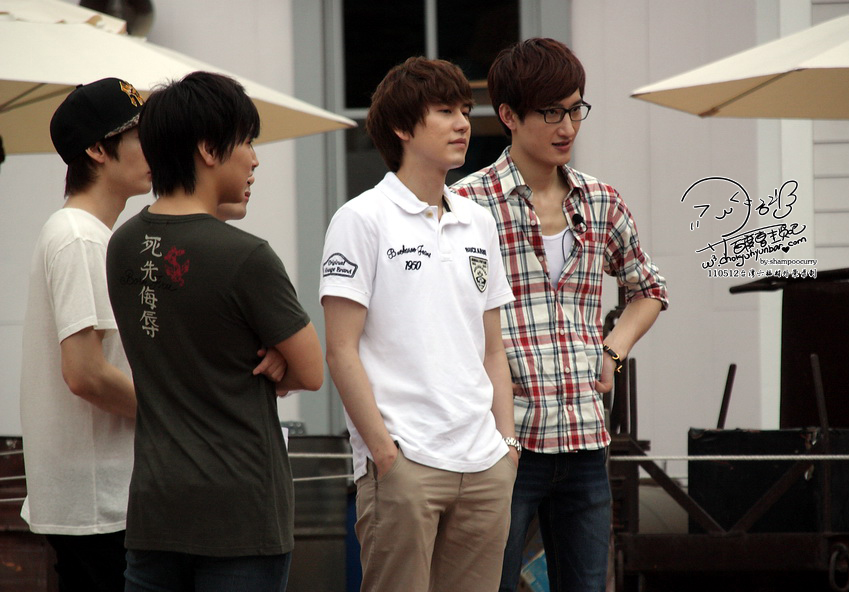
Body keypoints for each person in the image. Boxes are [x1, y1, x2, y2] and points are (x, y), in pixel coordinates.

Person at [451, 38, 669, 592]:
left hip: (584, 437)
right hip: (503, 442)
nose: (567, 126)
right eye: (551, 112)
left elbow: (648, 288)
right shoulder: (467, 205)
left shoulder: (600, 201)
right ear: (508, 116)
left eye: (575, 110)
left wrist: (612, 350)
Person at [105, 71, 324, 592]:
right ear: (208, 149)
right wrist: (276, 357)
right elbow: (312, 372)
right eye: (246, 141)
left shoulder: (122, 245)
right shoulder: (246, 256)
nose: (254, 159)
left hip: (155, 509)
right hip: (241, 515)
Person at [319, 57, 519, 592]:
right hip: (405, 463)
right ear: (403, 128)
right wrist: (386, 455)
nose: (463, 123)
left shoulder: (478, 221)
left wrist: (507, 445)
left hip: (485, 464)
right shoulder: (360, 219)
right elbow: (340, 350)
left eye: (464, 111)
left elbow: (492, 348)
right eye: (445, 111)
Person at [19, 77, 149, 591]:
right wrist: (181, 411)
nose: (155, 147)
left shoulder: (89, 235)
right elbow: (86, 374)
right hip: (99, 501)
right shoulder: (79, 238)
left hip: (99, 497)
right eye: (139, 135)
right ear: (98, 149)